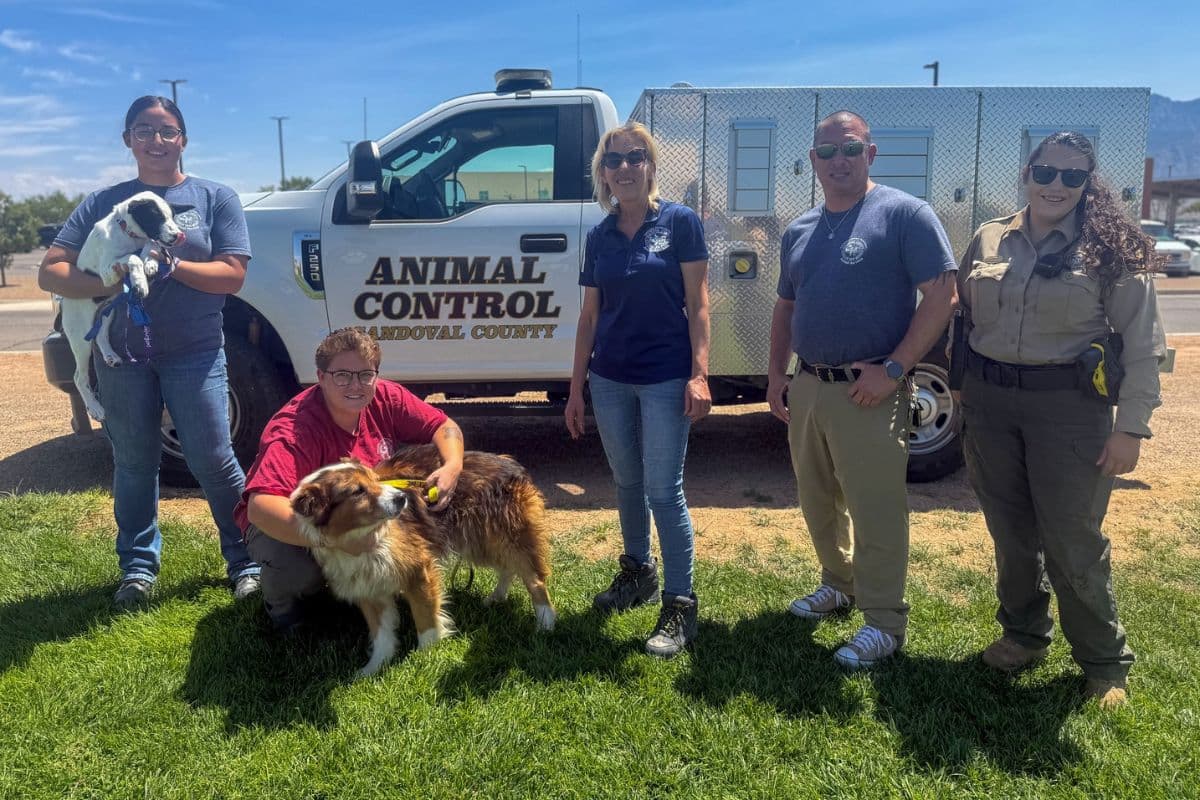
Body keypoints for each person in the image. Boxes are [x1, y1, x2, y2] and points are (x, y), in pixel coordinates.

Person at [957, 132, 1165, 709]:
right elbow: (962, 317)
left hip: (1071, 412)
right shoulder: (990, 236)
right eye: (1046, 171)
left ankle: (1103, 662)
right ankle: (1024, 635)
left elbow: (1144, 346)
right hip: (992, 406)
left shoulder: (1109, 248)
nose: (1056, 184)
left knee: (1073, 539)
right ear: (1027, 171)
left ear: (1087, 183)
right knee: (1011, 532)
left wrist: (1131, 428)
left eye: (1072, 176)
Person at [39, 95, 261, 609]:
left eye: (166, 131)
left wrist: (171, 265)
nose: (155, 141)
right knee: (134, 462)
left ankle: (248, 560)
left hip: (196, 352)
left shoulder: (214, 198)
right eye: (143, 131)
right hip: (121, 357)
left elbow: (232, 274)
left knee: (214, 459)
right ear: (127, 141)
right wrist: (107, 281)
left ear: (183, 139)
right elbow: (52, 270)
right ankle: (138, 569)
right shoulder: (103, 202)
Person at [768, 111, 958, 669]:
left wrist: (896, 370)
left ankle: (883, 622)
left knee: (876, 509)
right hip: (809, 387)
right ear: (812, 162)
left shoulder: (904, 215)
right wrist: (778, 375)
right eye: (827, 152)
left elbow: (942, 295)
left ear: (870, 153)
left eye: (850, 149)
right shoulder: (799, 230)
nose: (839, 161)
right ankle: (839, 585)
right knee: (817, 499)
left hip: (869, 390)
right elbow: (786, 307)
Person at [565, 122, 711, 658]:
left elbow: (699, 305)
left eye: (635, 157)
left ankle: (680, 604)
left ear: (650, 165)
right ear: (602, 173)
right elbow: (589, 318)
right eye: (614, 160)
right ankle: (638, 572)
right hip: (609, 379)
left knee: (662, 490)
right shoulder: (599, 236)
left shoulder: (679, 223)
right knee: (627, 483)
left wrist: (699, 373)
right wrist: (576, 387)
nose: (624, 168)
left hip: (665, 377)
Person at [234, 327, 464, 633]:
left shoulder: (385, 396)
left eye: (365, 374)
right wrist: (337, 538)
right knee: (297, 568)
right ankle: (287, 612)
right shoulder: (294, 429)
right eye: (342, 375)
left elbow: (444, 426)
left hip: (353, 511)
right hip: (286, 522)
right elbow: (260, 508)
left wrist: (452, 466)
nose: (355, 385)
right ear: (321, 376)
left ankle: (373, 589)